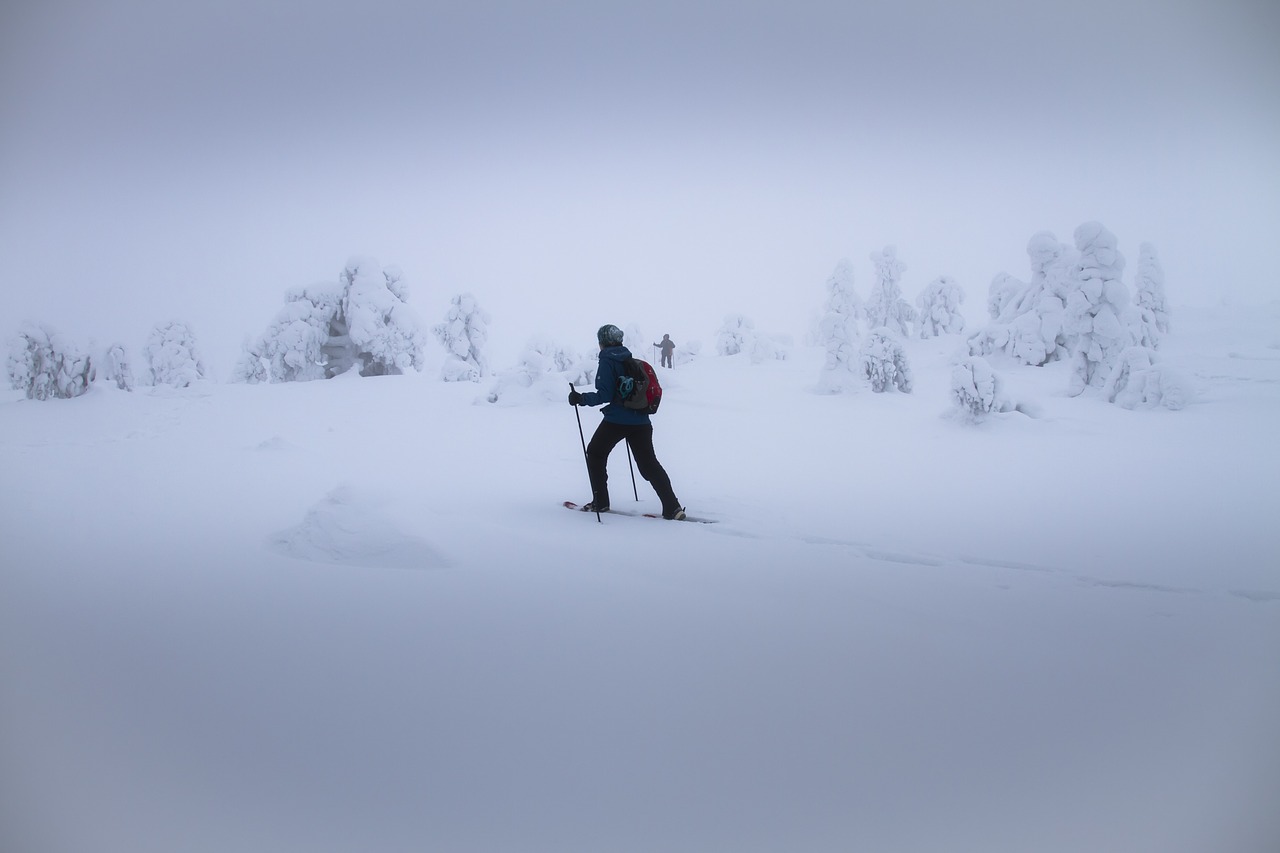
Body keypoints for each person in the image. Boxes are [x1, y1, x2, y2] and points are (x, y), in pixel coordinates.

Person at [569, 324, 685, 519]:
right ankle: (673, 507)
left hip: (616, 421)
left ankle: (601, 502)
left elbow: (605, 395)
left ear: (602, 343)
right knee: (649, 465)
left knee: (596, 454)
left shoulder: (607, 360)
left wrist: (581, 399)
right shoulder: (629, 358)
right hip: (641, 421)